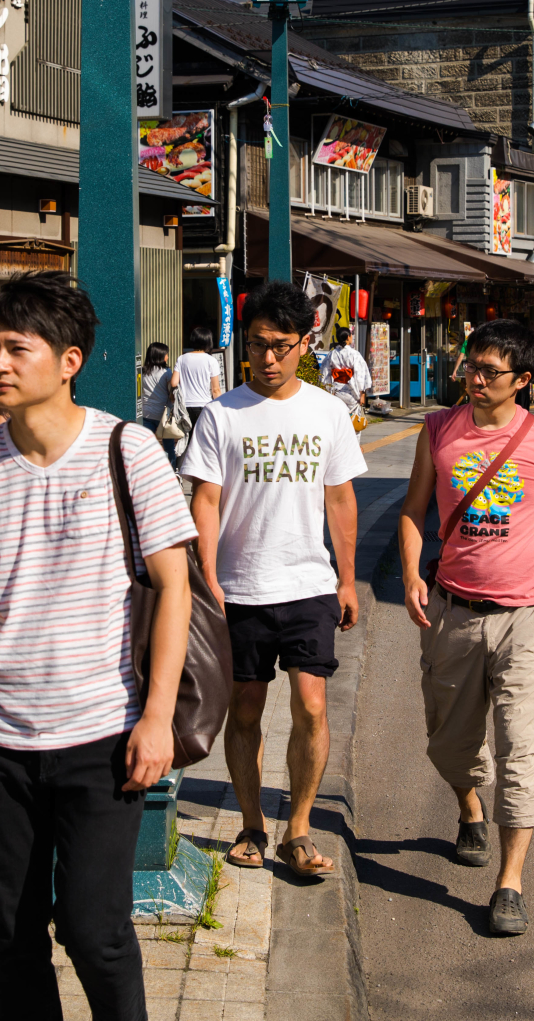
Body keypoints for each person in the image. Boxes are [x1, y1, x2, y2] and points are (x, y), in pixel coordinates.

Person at [0, 272, 196, 1021]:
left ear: (69, 360)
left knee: (95, 933)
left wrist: (157, 716)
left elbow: (174, 587)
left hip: (102, 735)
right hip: (0, 741)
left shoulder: (127, 451)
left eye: (15, 349)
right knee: (12, 936)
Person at [396, 318, 534, 938]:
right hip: (452, 609)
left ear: (522, 380)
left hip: (526, 615)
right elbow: (413, 510)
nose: (473, 379)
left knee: (519, 748)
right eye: (469, 367)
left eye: (488, 371)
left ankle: (510, 883)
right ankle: (469, 807)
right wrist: (411, 575)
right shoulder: (439, 428)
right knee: (449, 742)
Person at [181, 280, 365, 881]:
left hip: (309, 581)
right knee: (245, 706)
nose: (266, 358)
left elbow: (340, 499)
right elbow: (204, 500)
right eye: (257, 345)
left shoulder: (327, 411)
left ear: (304, 344)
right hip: (238, 586)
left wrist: (346, 578)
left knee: (311, 705)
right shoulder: (220, 414)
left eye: (280, 346)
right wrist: (207, 574)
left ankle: (301, 828)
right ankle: (253, 824)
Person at [139, 341, 181, 464]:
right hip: (163, 415)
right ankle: (171, 474)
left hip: (146, 414)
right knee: (169, 448)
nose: (168, 356)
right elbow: (172, 392)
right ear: (161, 356)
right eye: (166, 354)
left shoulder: (142, 371)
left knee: (147, 447)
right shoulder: (166, 372)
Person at [175, 325, 224, 428]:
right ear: (208, 342)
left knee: (186, 441)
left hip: (184, 406)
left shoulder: (181, 358)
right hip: (203, 406)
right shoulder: (211, 360)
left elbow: (173, 383)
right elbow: (215, 390)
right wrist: (221, 407)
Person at [319, 325, 372, 416]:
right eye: (351, 335)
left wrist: (326, 388)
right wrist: (362, 393)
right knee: (353, 418)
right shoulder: (354, 354)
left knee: (338, 416)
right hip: (351, 391)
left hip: (336, 391)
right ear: (348, 337)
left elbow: (324, 373)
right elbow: (360, 374)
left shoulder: (332, 354)